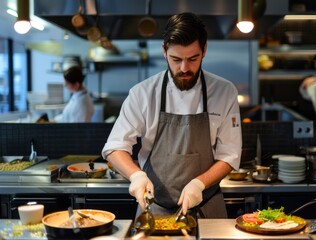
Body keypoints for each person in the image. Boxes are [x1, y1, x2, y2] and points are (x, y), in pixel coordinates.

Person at [102, 12, 242, 218]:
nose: (184, 68)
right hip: (154, 209)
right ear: (164, 51)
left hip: (207, 206)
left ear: (204, 50)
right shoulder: (142, 93)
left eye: (192, 59)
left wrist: (199, 183)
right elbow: (115, 147)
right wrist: (136, 175)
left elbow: (230, 155)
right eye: (176, 59)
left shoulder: (224, 91)